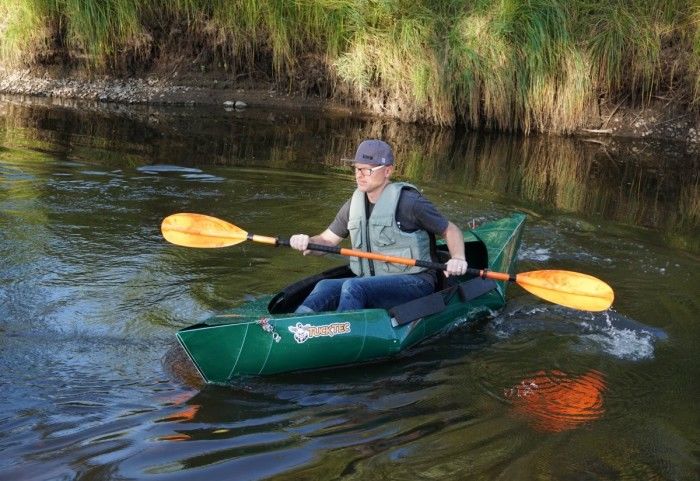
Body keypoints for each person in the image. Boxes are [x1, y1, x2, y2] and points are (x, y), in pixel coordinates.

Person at [289, 139, 468, 313]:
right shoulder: (353, 205)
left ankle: (341, 332)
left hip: (416, 282)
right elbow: (327, 240)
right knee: (324, 286)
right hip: (371, 281)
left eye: (367, 170)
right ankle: (297, 325)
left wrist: (458, 258)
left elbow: (450, 230)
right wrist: (308, 242)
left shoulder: (410, 203)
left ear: (388, 171)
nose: (359, 175)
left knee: (353, 287)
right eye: (357, 169)